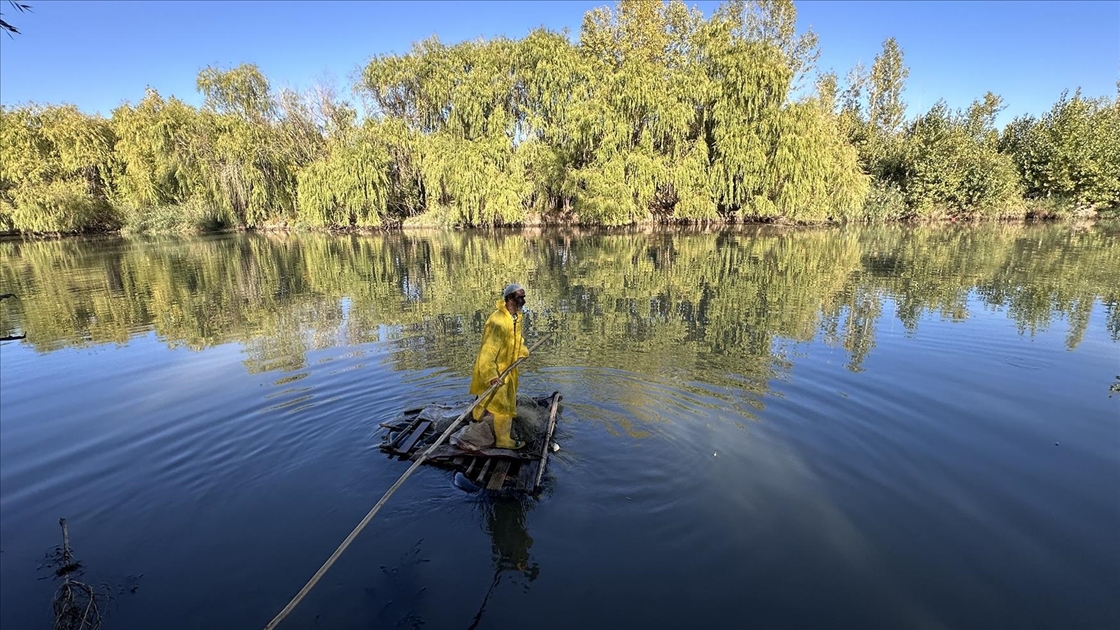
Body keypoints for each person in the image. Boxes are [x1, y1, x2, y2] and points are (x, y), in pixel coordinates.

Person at [470, 283, 529, 449]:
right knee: (503, 406)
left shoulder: (515, 317)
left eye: (524, 297)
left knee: (486, 397)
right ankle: (503, 441)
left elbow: (516, 340)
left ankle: (476, 418)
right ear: (509, 298)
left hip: (508, 368)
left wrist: (522, 351)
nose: (523, 301)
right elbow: (487, 351)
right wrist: (491, 375)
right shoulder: (497, 321)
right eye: (520, 297)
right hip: (496, 369)